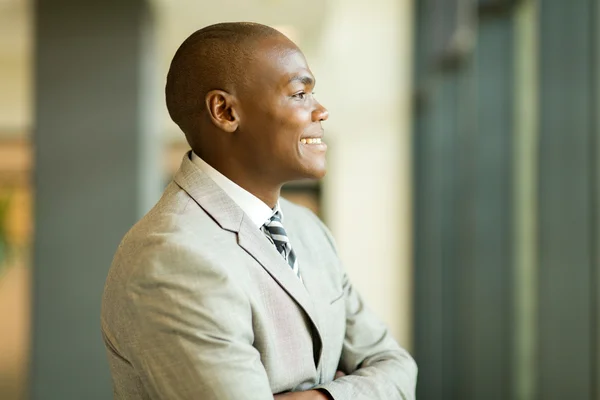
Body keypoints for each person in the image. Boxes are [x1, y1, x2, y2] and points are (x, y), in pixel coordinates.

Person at [101, 22, 417, 400]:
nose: (321, 110)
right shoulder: (171, 257)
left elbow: (399, 369)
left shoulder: (307, 229)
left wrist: (321, 396)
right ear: (225, 111)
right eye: (300, 93)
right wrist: (355, 384)